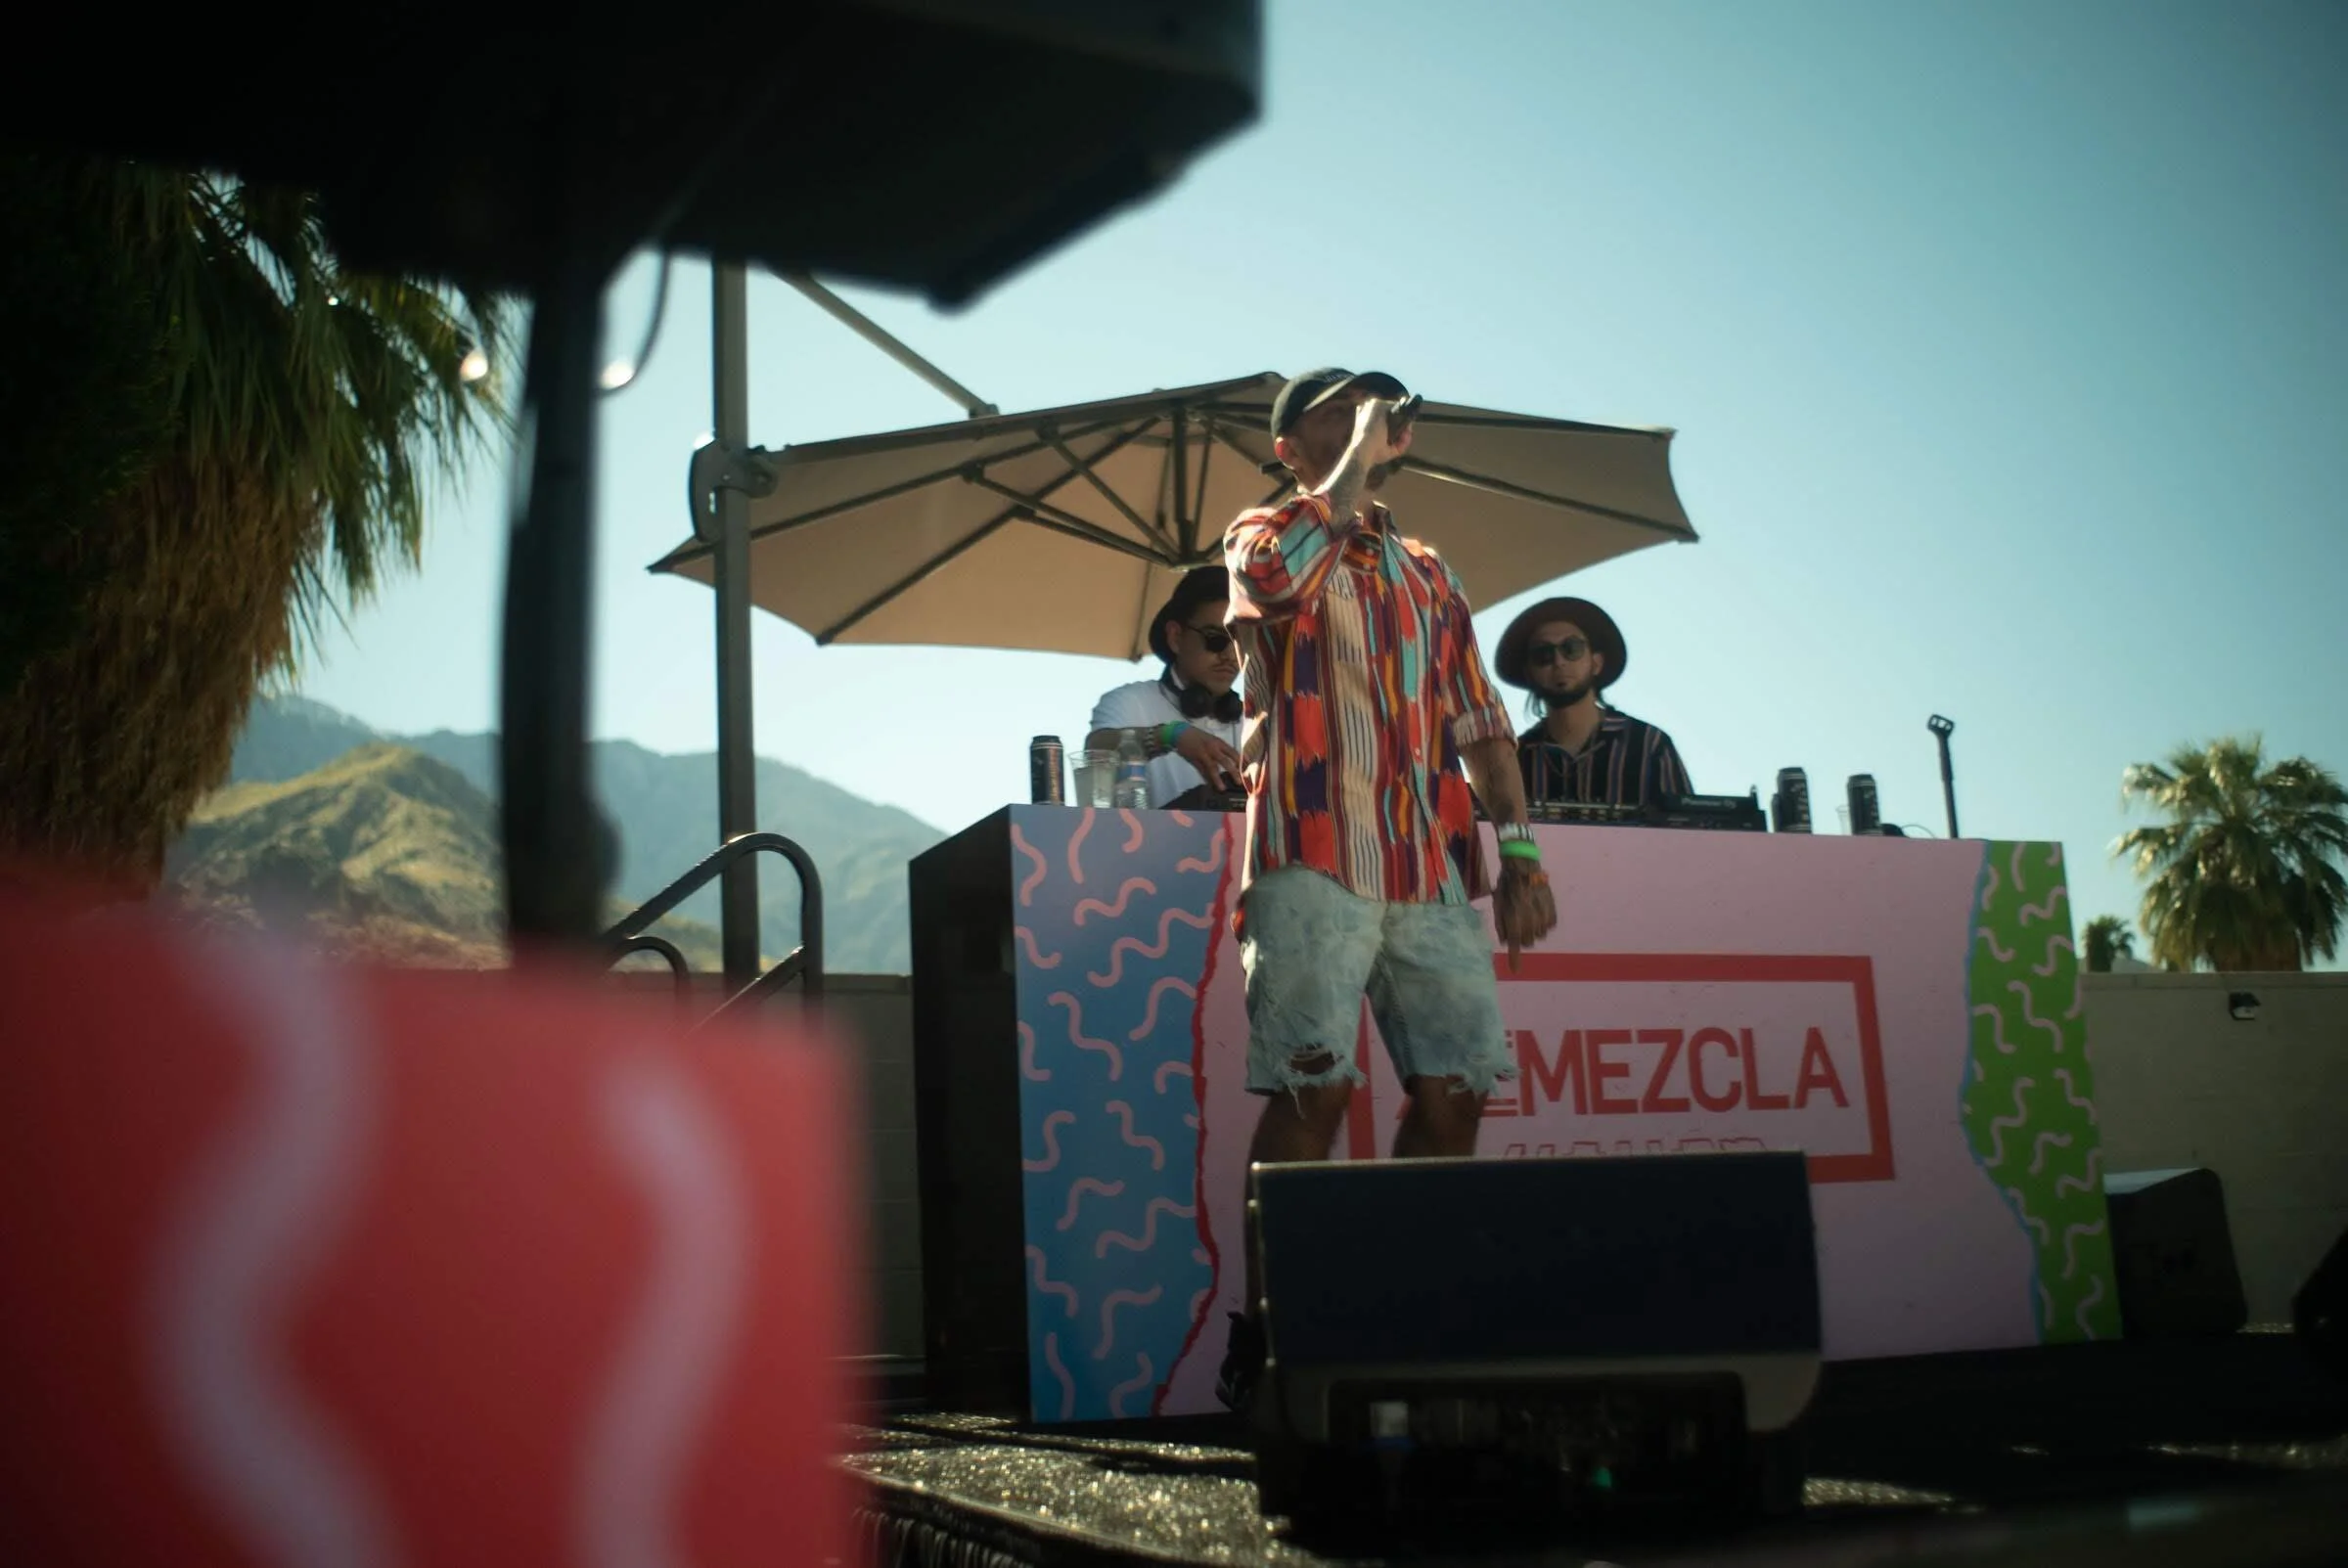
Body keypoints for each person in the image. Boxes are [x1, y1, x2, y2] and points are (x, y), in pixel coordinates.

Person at [1215, 368, 1557, 1411]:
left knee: (1456, 1090)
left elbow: (1481, 718)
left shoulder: (1426, 565)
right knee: (1312, 1088)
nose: (1366, 413)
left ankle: (1414, 1309)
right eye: (1335, 406)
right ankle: (1273, 1338)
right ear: (1287, 446)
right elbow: (1276, 590)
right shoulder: (1261, 531)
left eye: (1375, 403)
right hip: (1311, 846)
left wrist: (1525, 853)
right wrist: (1358, 454)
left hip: (1429, 862)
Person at [1494, 596, 1692, 807]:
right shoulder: (1516, 759)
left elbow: (1689, 832)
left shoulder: (1649, 745)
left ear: (1596, 663)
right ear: (1529, 672)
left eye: (1571, 648)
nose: (1559, 662)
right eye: (1543, 654)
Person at [1085, 565, 1246, 807]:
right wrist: (1170, 735)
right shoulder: (1130, 702)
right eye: (1216, 639)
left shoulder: (1255, 721)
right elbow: (1096, 752)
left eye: (1240, 642)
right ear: (1175, 637)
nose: (1230, 656)